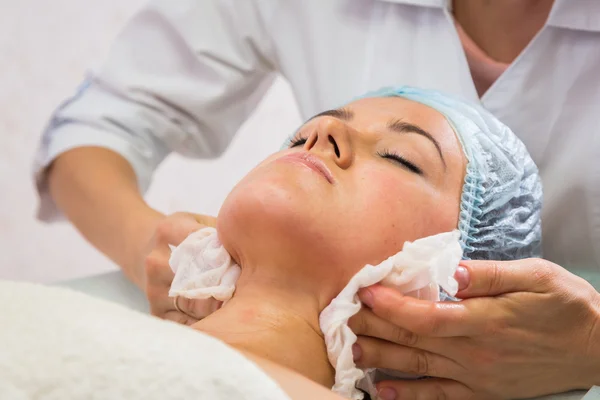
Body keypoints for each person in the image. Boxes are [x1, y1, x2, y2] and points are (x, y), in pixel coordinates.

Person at [34, 1, 600, 399]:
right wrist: (141, 246)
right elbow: (103, 126)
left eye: (403, 157)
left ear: (432, 283)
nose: (320, 135)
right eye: (302, 132)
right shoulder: (39, 322)